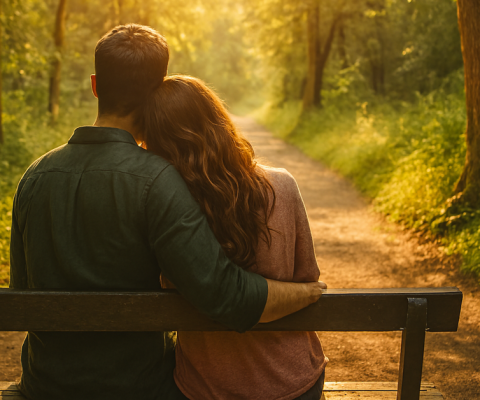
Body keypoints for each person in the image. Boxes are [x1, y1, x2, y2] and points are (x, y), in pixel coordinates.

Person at [9, 24, 326, 400]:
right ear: (154, 96)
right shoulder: (157, 179)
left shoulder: (34, 176)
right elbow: (224, 294)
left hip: (44, 384)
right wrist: (307, 292)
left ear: (96, 85)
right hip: (139, 388)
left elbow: (21, 291)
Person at [143, 75, 327, 400]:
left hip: (205, 387)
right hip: (294, 381)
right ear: (217, 119)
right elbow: (307, 278)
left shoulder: (168, 206)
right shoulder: (281, 186)